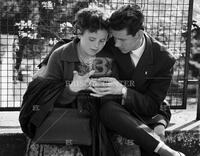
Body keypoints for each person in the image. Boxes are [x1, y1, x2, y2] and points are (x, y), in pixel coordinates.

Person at [89, 4, 185, 156]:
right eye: (114, 37)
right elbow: (106, 96)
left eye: (122, 39)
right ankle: (166, 151)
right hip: (116, 112)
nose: (116, 43)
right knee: (108, 110)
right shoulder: (105, 47)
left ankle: (160, 141)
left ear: (139, 34)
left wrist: (123, 90)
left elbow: (152, 105)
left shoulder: (164, 58)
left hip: (145, 113)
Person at [25, 6, 116, 156]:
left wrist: (104, 91)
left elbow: (113, 94)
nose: (96, 45)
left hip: (95, 116)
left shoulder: (107, 56)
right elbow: (46, 99)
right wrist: (72, 89)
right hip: (64, 117)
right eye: (92, 39)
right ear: (79, 33)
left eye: (102, 40)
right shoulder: (59, 55)